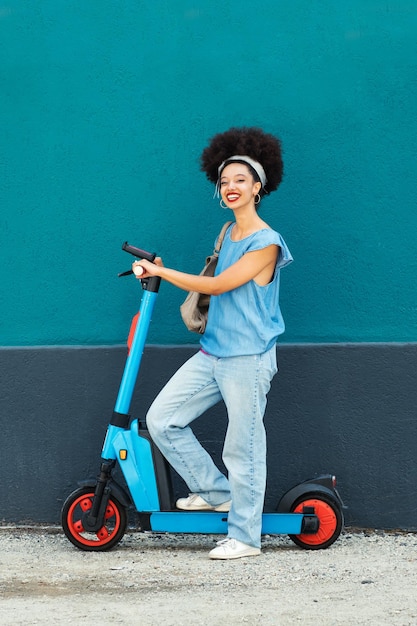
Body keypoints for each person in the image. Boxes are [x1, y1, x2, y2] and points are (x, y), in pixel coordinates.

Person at [133, 127, 293, 560]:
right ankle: (214, 490)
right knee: (163, 419)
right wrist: (162, 269)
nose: (231, 188)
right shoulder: (228, 234)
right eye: (225, 182)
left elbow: (219, 285)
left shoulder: (266, 244)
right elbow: (210, 282)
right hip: (214, 351)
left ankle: (245, 537)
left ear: (258, 186)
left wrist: (163, 274)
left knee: (243, 446)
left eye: (241, 180)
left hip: (249, 358)